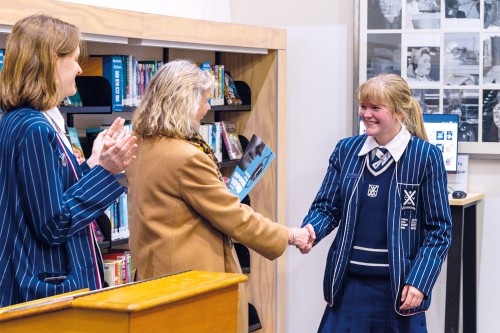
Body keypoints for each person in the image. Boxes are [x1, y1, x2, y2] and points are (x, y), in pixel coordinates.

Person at [126, 59, 315, 332]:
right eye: (204, 100)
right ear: (184, 102)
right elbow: (234, 217)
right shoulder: (186, 157)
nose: (207, 108)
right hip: (194, 286)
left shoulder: (141, 145)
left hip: (155, 277)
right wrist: (288, 235)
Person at [0, 14, 138, 307]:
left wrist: (91, 164)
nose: (79, 68)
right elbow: (53, 223)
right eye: (74, 59)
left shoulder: (20, 121)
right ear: (50, 60)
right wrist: (104, 171)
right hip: (44, 292)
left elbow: (51, 194)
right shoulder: (34, 128)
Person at [300, 74, 452, 332]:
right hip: (347, 287)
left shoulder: (425, 156)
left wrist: (420, 281)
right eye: (363, 106)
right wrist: (310, 230)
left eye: (375, 108)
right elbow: (326, 207)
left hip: (399, 290)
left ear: (399, 112)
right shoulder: (346, 150)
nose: (366, 114)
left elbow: (439, 230)